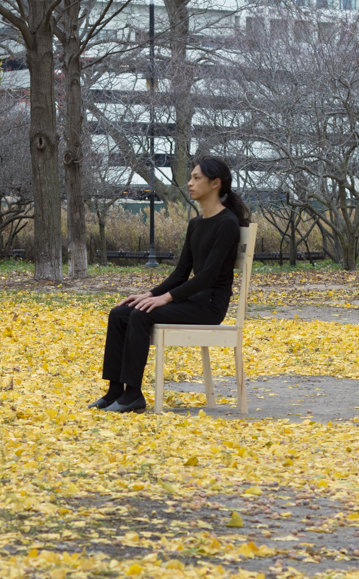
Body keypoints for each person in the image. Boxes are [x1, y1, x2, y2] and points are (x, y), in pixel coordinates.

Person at [91, 156, 250, 414]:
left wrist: (166, 299)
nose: (189, 183)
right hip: (193, 300)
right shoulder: (196, 224)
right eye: (191, 177)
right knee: (121, 313)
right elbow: (181, 273)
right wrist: (149, 294)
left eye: (197, 178)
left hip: (210, 306)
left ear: (215, 183)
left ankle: (133, 395)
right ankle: (114, 392)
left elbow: (207, 277)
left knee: (140, 316)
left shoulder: (227, 223)